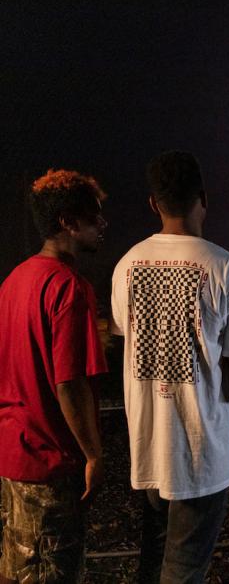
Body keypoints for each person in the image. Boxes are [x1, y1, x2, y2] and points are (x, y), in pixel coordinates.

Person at [111, 150, 229, 583]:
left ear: (152, 204)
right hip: (202, 450)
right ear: (203, 197)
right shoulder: (228, 268)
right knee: (185, 568)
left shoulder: (125, 267)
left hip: (147, 440)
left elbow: (129, 342)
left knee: (153, 557)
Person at [0, 169, 108, 583]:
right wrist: (94, 455)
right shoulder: (69, 287)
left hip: (12, 455)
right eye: (93, 215)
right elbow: (69, 384)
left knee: (15, 569)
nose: (102, 224)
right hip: (49, 464)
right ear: (67, 222)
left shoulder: (13, 281)